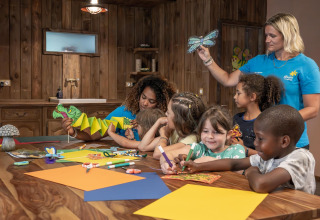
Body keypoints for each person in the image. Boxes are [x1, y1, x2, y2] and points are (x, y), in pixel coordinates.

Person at [197, 13, 320, 148]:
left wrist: (277, 121)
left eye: (272, 36)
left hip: (292, 143)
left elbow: (313, 109)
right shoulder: (258, 61)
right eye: (266, 35)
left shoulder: (307, 66)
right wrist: (207, 59)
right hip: (261, 141)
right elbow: (228, 80)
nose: (267, 40)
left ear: (287, 35)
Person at [177, 105, 316, 194]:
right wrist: (198, 166)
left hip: (298, 212)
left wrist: (251, 171)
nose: (255, 143)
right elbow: (233, 163)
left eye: (260, 138)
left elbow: (261, 184)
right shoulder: (268, 154)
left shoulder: (300, 157)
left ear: (284, 141)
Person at [61, 74, 176, 141]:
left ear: (160, 103)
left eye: (151, 101)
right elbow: (95, 133)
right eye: (143, 97)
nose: (145, 103)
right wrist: (74, 133)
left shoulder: (162, 120)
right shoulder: (124, 112)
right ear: (138, 95)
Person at [161, 105, 246, 174]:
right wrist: (167, 163)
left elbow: (240, 170)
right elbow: (167, 155)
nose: (210, 136)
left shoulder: (236, 150)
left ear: (228, 134)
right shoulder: (200, 148)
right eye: (205, 131)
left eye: (216, 132)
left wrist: (207, 161)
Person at [233, 74, 283, 156]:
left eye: (238, 93)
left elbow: (268, 154)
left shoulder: (266, 123)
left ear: (252, 97)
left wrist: (244, 149)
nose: (234, 97)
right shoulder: (236, 118)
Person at [143, 92, 206, 158]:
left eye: (168, 112)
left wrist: (164, 136)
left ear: (178, 119)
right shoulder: (176, 131)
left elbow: (158, 154)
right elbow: (143, 147)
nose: (165, 114)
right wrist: (158, 122)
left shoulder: (191, 139)